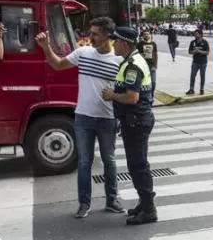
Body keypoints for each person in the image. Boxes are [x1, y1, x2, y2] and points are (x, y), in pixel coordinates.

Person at [35, 17, 124, 218]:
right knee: (84, 162)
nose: (90, 37)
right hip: (83, 117)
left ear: (107, 35)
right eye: (90, 33)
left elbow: (125, 91)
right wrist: (46, 47)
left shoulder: (119, 61)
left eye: (95, 34)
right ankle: (84, 203)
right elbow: (58, 64)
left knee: (109, 160)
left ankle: (112, 199)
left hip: (108, 118)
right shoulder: (83, 53)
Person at [103, 26, 158, 225]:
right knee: (137, 165)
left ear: (124, 44)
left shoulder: (133, 65)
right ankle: (144, 203)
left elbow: (132, 97)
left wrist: (112, 95)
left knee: (138, 165)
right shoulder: (130, 61)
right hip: (134, 121)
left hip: (136, 121)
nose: (113, 44)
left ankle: (149, 209)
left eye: (115, 41)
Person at [186, 29, 209, 95]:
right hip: (195, 62)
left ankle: (202, 89)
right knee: (192, 75)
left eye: (196, 34)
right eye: (195, 34)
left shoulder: (205, 42)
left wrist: (199, 51)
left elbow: (207, 52)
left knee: (202, 76)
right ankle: (191, 89)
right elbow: (189, 51)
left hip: (203, 62)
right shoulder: (193, 42)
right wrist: (194, 51)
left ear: (200, 34)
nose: (195, 35)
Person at [138, 30, 158, 96]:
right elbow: (137, 54)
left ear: (150, 35)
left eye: (148, 34)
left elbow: (156, 54)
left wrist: (156, 64)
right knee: (144, 82)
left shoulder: (153, 44)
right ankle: (146, 95)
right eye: (145, 34)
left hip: (152, 66)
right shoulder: (139, 44)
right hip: (143, 66)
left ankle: (152, 95)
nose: (146, 35)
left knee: (153, 82)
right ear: (143, 36)